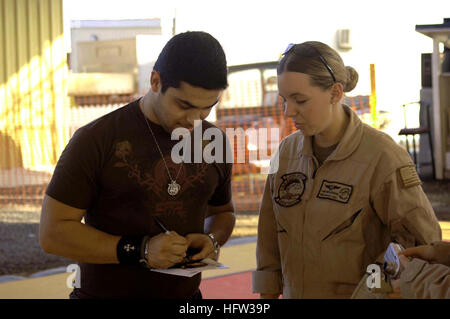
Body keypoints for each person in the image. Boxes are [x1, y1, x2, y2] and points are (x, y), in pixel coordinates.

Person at [39, 31, 236, 299]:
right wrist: (141, 250)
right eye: (183, 105)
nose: (194, 119)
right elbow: (53, 233)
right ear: (155, 81)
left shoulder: (214, 142)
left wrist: (211, 239)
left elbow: (223, 212)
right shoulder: (97, 139)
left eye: (207, 108)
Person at [252, 41, 442, 299]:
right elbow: (269, 236)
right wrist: (268, 294)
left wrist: (376, 291)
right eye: (284, 100)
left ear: (335, 93)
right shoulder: (286, 153)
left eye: (300, 100)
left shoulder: (382, 157)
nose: (288, 111)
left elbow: (421, 245)